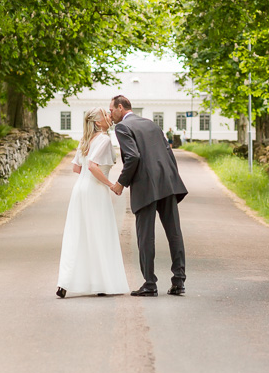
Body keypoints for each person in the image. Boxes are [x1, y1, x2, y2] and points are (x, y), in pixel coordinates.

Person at [109, 95, 188, 297]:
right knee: (174, 232)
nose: (110, 114)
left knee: (146, 235)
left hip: (145, 185)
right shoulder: (151, 124)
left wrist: (120, 183)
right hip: (167, 183)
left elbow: (133, 156)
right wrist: (172, 178)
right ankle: (179, 282)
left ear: (120, 107)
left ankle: (150, 283)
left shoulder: (122, 128)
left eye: (111, 110)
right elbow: (168, 152)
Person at [56, 107, 129, 298]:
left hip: (80, 189)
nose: (109, 117)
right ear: (98, 122)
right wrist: (111, 184)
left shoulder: (85, 140)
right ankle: (101, 283)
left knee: (77, 233)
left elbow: (76, 167)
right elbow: (92, 166)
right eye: (105, 115)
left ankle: (64, 283)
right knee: (100, 233)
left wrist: (87, 180)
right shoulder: (104, 139)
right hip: (95, 190)